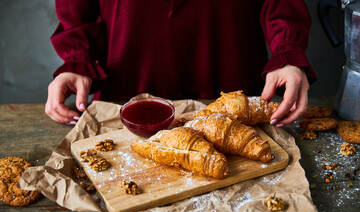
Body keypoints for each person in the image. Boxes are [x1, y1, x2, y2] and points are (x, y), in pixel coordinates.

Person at [46, 0, 316, 127]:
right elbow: (78, 11)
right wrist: (76, 61)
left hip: (234, 101)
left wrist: (287, 53)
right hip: (123, 104)